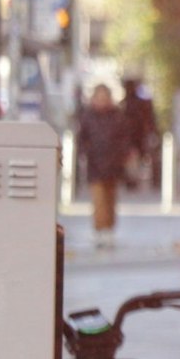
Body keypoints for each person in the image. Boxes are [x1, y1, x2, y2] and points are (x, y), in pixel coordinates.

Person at [75, 84, 130, 249]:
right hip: (95, 164)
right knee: (98, 200)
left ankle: (109, 229)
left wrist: (123, 156)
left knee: (111, 199)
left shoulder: (117, 116)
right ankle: (100, 230)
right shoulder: (87, 116)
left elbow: (124, 138)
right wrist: (86, 152)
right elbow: (82, 138)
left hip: (113, 165)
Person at [119, 77, 160, 191]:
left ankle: (132, 180)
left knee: (134, 159)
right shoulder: (134, 104)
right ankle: (132, 180)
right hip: (135, 137)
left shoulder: (126, 104)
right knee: (134, 159)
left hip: (135, 137)